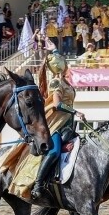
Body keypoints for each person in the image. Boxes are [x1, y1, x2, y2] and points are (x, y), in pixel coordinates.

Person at [32, 51, 83, 199]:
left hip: (67, 124)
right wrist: (75, 112)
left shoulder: (65, 83)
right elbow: (57, 104)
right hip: (55, 125)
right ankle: (38, 184)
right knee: (54, 152)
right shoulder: (56, 82)